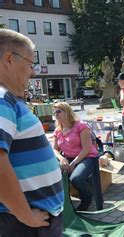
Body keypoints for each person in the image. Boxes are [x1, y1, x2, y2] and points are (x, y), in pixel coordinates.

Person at [0, 29, 63, 236]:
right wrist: (25, 214)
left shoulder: (9, 99)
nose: (33, 72)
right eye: (30, 64)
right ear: (8, 59)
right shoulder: (2, 99)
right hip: (24, 223)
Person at [53, 102, 98, 211]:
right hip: (68, 158)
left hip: (87, 157)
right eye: (54, 112)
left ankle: (87, 199)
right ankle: (62, 203)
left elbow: (87, 148)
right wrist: (62, 158)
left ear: (67, 111)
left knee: (76, 178)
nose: (56, 114)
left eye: (59, 111)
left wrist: (74, 163)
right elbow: (54, 149)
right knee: (53, 175)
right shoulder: (58, 131)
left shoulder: (81, 126)